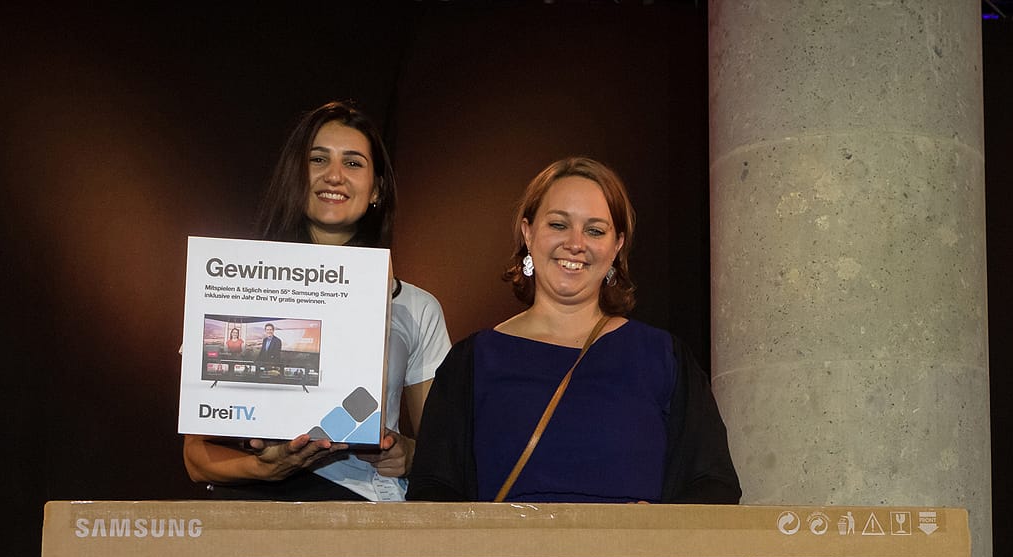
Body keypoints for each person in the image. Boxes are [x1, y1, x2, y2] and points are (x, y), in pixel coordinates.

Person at [406, 157, 739, 504]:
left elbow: (714, 485)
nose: (575, 243)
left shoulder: (664, 358)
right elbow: (433, 491)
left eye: (595, 230)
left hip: (630, 542)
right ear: (528, 233)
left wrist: (658, 527)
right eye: (558, 224)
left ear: (617, 245)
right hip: (509, 543)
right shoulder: (472, 361)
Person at [183, 100, 451, 501]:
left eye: (353, 163)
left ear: (376, 188)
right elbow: (196, 457)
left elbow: (442, 452)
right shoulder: (235, 287)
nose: (334, 175)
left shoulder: (415, 307)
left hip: (360, 510)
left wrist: (409, 454)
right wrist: (264, 468)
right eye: (318, 159)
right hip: (253, 508)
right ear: (295, 175)